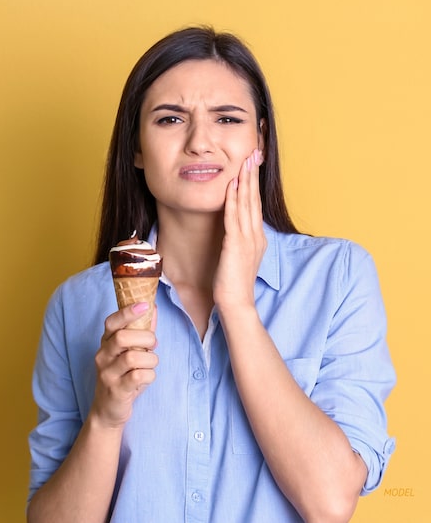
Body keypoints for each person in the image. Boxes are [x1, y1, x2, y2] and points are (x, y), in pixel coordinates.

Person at [27, 26, 396, 523]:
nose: (200, 142)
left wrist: (238, 306)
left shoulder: (338, 278)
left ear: (259, 140)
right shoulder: (76, 305)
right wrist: (105, 418)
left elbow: (330, 502)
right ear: (136, 147)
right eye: (169, 118)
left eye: (227, 118)